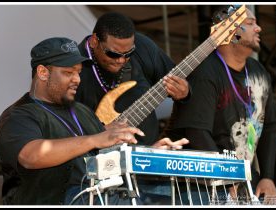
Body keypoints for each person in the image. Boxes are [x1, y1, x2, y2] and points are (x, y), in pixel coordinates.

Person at [0, 37, 188, 205]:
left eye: (78, 72)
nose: (77, 79)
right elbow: (31, 156)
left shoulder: (81, 112)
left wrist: (150, 155)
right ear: (43, 73)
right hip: (53, 201)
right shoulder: (19, 115)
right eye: (68, 72)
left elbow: (107, 158)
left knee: (188, 195)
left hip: (100, 197)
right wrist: (95, 139)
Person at [163, 6, 276, 205]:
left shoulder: (258, 71)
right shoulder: (204, 72)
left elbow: (269, 127)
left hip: (246, 182)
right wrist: (228, 178)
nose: (259, 28)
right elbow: (197, 132)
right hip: (207, 188)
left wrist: (268, 177)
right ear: (231, 33)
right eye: (250, 24)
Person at [75, 12, 190, 204]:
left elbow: (178, 80)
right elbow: (65, 130)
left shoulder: (143, 48)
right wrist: (98, 133)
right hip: (100, 177)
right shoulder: (75, 67)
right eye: (113, 54)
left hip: (149, 167)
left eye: (128, 54)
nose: (121, 60)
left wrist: (186, 91)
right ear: (95, 41)